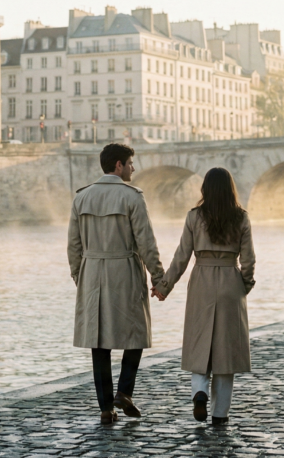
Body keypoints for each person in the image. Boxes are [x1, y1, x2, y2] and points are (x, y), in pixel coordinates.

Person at [67, 143, 164, 425]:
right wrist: (158, 278)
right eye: (131, 163)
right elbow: (146, 242)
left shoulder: (82, 198)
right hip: (125, 270)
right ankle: (124, 391)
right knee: (136, 334)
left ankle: (106, 410)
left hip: (92, 273)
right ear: (118, 166)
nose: (134, 168)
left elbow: (73, 245)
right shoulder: (132, 197)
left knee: (99, 343)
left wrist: (80, 277)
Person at [152, 167, 255, 425]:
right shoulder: (241, 217)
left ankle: (199, 392)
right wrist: (244, 285)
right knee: (226, 352)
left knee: (200, 343)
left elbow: (182, 257)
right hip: (231, 280)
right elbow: (249, 260)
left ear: (205, 189)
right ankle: (220, 414)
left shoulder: (193, 217)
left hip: (202, 281)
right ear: (230, 189)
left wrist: (164, 286)